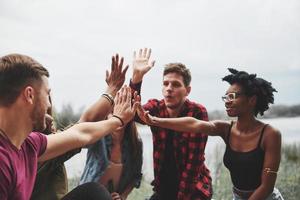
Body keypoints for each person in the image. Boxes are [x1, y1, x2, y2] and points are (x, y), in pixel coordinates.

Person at [0, 53, 137, 200]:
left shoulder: (30, 144)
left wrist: (118, 120)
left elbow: (80, 133)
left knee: (93, 192)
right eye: (47, 95)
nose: (48, 105)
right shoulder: (3, 161)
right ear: (29, 95)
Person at [138, 68, 284, 200]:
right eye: (226, 97)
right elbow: (193, 124)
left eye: (232, 96)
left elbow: (267, 186)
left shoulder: (270, 134)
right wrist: (155, 121)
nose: (227, 102)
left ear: (251, 100)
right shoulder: (226, 129)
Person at [130, 48, 212, 200]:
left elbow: (194, 164)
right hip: (163, 189)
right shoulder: (155, 107)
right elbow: (132, 113)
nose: (169, 89)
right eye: (165, 83)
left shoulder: (197, 112)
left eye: (175, 84)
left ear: (187, 90)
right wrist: (136, 79)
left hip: (193, 190)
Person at [79, 114, 143, 200]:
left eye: (122, 112)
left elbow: (136, 177)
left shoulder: (136, 143)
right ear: (107, 115)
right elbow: (80, 130)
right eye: (113, 112)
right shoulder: (97, 136)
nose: (119, 115)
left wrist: (123, 196)